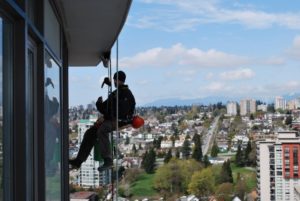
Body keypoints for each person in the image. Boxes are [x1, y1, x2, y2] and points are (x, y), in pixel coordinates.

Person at [69, 71, 136, 171]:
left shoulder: (118, 94)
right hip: (120, 120)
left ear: (116, 80)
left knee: (102, 130)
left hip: (117, 121)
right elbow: (117, 109)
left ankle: (108, 160)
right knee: (90, 133)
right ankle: (78, 161)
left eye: (115, 80)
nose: (114, 82)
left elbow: (106, 108)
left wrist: (98, 103)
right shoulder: (126, 94)